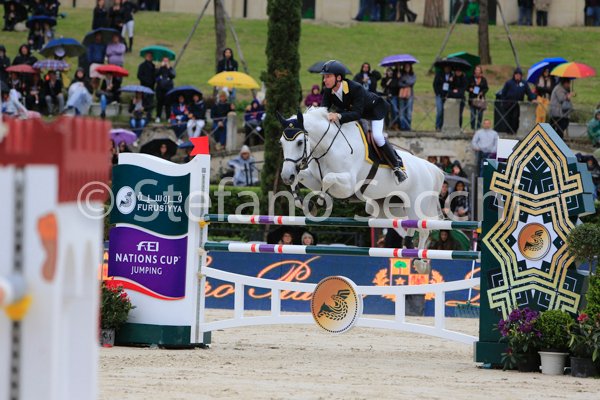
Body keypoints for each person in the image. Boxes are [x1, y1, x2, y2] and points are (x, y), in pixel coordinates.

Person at [320, 60, 407, 183]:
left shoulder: (355, 88)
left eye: (328, 76)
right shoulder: (328, 90)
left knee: (377, 137)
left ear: (338, 78)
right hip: (356, 113)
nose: (325, 80)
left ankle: (397, 167)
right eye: (324, 77)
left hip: (374, 111)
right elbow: (322, 109)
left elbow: (357, 114)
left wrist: (338, 115)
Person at [499, 68, 536, 134]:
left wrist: (533, 98)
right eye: (516, 75)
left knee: (515, 118)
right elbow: (503, 93)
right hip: (508, 104)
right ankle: (508, 132)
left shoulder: (524, 83)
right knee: (508, 118)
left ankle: (514, 132)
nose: (518, 76)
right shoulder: (509, 83)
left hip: (518, 105)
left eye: (519, 75)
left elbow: (529, 93)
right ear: (514, 75)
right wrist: (503, 102)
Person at [467, 65, 489, 130]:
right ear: (474, 71)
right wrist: (469, 89)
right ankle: (473, 128)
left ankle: (478, 127)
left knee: (480, 115)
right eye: (476, 70)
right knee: (473, 115)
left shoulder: (483, 79)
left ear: (480, 71)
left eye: (478, 70)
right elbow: (466, 87)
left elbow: (486, 88)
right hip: (472, 99)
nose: (477, 71)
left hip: (480, 100)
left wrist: (482, 92)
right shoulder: (471, 78)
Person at [155, 57, 175, 122]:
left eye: (166, 61)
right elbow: (155, 74)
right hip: (160, 88)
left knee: (168, 103)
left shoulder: (170, 68)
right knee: (159, 103)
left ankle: (168, 117)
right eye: (164, 61)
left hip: (168, 88)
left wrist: (169, 68)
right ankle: (158, 116)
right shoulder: (159, 68)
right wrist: (160, 67)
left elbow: (173, 75)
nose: (165, 62)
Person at [433, 65, 453, 131]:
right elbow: (435, 84)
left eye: (448, 67)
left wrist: (451, 81)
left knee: (446, 112)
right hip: (439, 95)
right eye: (446, 67)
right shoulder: (439, 74)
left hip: (448, 95)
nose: (447, 68)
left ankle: (444, 126)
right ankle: (438, 126)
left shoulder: (452, 75)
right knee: (440, 110)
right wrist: (437, 93)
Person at [398, 63, 416, 131]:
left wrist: (403, 80)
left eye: (408, 67)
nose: (407, 68)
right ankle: (402, 126)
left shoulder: (413, 75)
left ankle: (408, 127)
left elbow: (411, 82)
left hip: (410, 95)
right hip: (402, 95)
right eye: (406, 67)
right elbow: (399, 84)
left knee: (409, 112)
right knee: (402, 111)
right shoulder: (401, 74)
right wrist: (405, 83)